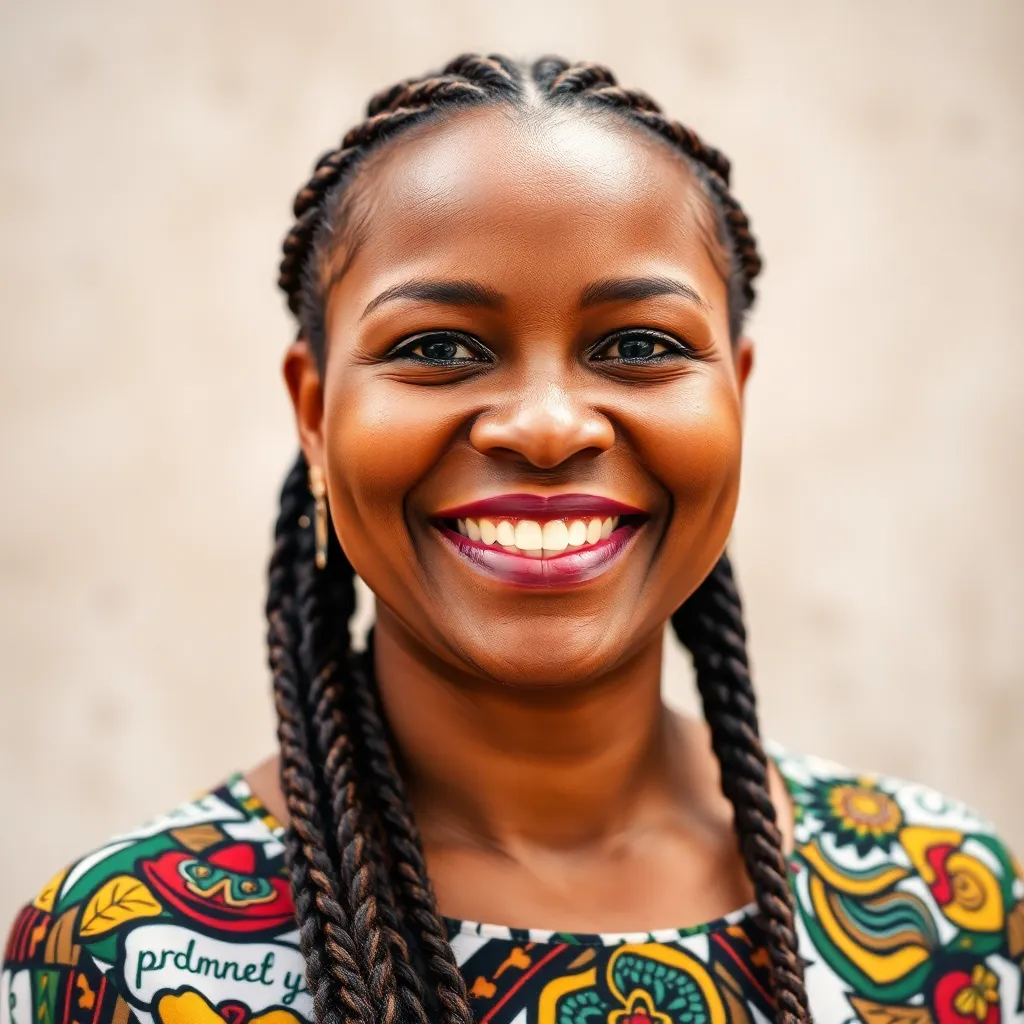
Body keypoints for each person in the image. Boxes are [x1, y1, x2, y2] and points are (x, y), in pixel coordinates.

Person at [3, 53, 1020, 1024]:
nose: (543, 426)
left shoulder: (949, 906)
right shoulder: (124, 951)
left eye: (638, 346)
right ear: (313, 411)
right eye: (438, 348)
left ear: (737, 396)